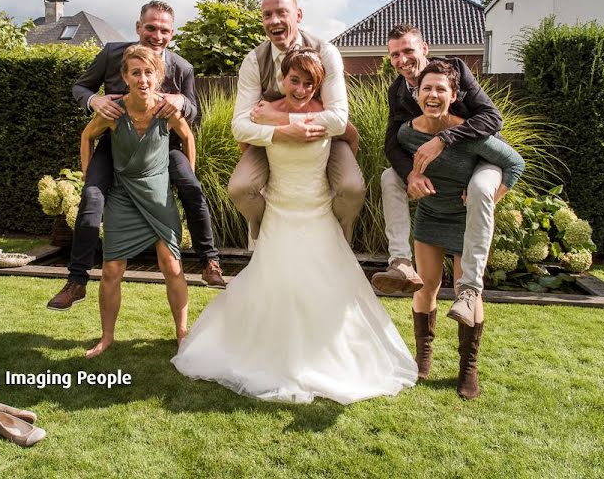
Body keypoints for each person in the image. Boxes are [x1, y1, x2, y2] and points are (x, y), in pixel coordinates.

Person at [172, 49, 417, 404]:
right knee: (277, 278)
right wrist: (278, 124)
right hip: (279, 210)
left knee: (323, 280)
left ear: (318, 86)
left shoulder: (326, 116)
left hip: (317, 208)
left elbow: (351, 135)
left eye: (309, 83)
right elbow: (244, 136)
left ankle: (326, 354)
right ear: (282, 80)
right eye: (294, 81)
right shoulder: (264, 114)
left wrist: (339, 157)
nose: (301, 89)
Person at [47, 1, 225, 312]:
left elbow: (193, 113)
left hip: (164, 145)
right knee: (91, 198)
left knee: (192, 187)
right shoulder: (113, 53)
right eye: (151, 27)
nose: (157, 35)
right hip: (115, 142)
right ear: (138, 27)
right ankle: (76, 281)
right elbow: (80, 87)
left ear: (172, 32)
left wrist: (180, 99)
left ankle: (209, 261)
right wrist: (94, 101)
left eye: (164, 30)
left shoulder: (182, 67)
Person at [397, 60, 524, 399]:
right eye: (427, 89)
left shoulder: (471, 134)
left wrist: (489, 200)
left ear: (454, 95)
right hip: (431, 215)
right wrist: (412, 179)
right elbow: (401, 167)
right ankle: (423, 358)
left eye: (441, 89)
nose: (433, 95)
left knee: (469, 293)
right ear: (417, 94)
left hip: (466, 222)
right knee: (426, 286)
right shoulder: (407, 134)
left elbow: (514, 163)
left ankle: (468, 368)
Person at [371, 24, 503, 346]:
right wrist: (411, 175)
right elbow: (392, 144)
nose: (402, 60)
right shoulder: (398, 91)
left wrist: (444, 139)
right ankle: (400, 262)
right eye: (395, 55)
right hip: (438, 185)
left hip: (480, 159)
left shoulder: (454, 70)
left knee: (480, 189)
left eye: (408, 51)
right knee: (390, 176)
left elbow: (492, 119)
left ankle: (468, 357)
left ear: (424, 49)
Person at [228, 0, 365, 246]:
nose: (275, 21)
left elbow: (337, 119)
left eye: (282, 12)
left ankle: (338, 236)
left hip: (325, 139)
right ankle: (262, 231)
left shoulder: (326, 53)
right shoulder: (254, 61)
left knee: (351, 188)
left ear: (298, 15)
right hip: (271, 142)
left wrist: (280, 119)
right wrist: (280, 132)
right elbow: (240, 128)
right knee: (240, 188)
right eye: (267, 15)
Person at [83, 46, 195, 358]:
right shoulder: (114, 110)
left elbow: (188, 138)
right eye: (136, 73)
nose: (143, 79)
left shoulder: (165, 109)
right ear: (125, 76)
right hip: (123, 196)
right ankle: (106, 337)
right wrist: (87, 175)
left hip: (158, 197)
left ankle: (182, 333)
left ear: (158, 76)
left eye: (148, 73)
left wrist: (186, 176)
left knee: (172, 266)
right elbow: (86, 136)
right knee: (111, 269)